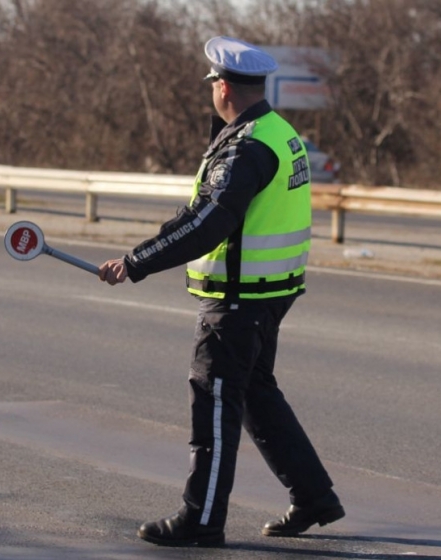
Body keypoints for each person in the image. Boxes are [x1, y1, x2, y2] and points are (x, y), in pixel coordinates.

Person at [98, 36, 344, 548]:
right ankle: (315, 497)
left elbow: (209, 223)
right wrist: (142, 252)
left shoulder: (247, 146)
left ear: (224, 86)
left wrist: (138, 263)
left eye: (212, 82)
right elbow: (198, 214)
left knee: (214, 402)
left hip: (239, 299)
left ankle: (202, 519)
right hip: (269, 291)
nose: (211, 89)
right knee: (255, 393)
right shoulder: (278, 132)